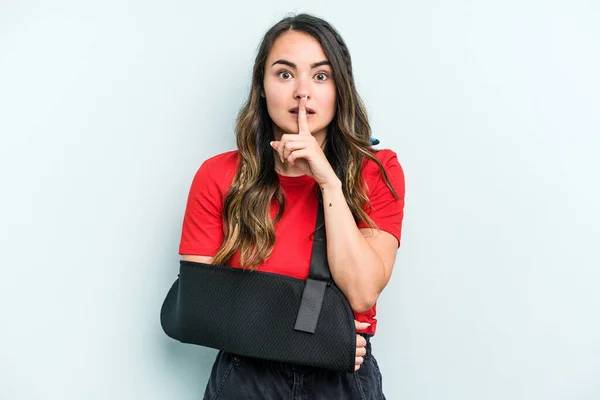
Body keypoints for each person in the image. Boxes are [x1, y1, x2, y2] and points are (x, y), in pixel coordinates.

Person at [178, 13, 405, 400]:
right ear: (262, 88)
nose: (303, 91)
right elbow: (198, 309)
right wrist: (308, 340)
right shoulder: (218, 175)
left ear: (339, 87)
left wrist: (327, 180)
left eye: (320, 76)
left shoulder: (378, 170)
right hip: (248, 376)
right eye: (284, 74)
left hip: (342, 376)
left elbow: (363, 293)